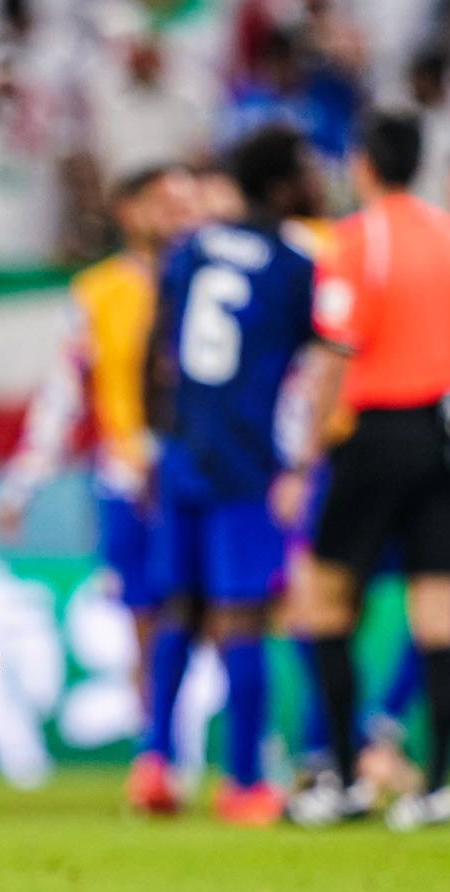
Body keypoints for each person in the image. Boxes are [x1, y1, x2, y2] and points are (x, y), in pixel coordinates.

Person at [290, 111, 450, 827]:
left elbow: (334, 355)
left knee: (324, 601)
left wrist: (306, 456)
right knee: (438, 614)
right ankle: (436, 788)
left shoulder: (355, 242)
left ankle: (347, 778)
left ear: (363, 164)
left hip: (378, 433)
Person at [133, 127, 319, 824]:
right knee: (242, 615)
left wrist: (162, 441)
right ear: (280, 184)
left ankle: (155, 763)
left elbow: (157, 352)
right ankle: (243, 779)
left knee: (177, 607)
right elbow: (317, 360)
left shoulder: (192, 250)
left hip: (183, 449)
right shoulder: (293, 262)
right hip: (247, 459)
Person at [0, 164, 199, 720]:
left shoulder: (211, 281)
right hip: (128, 478)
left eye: (187, 202)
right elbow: (63, 395)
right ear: (128, 212)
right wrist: (22, 485)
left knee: (224, 610)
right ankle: (157, 753)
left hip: (205, 474)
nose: (179, 215)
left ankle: (241, 754)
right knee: (143, 618)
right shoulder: (98, 293)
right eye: (163, 202)